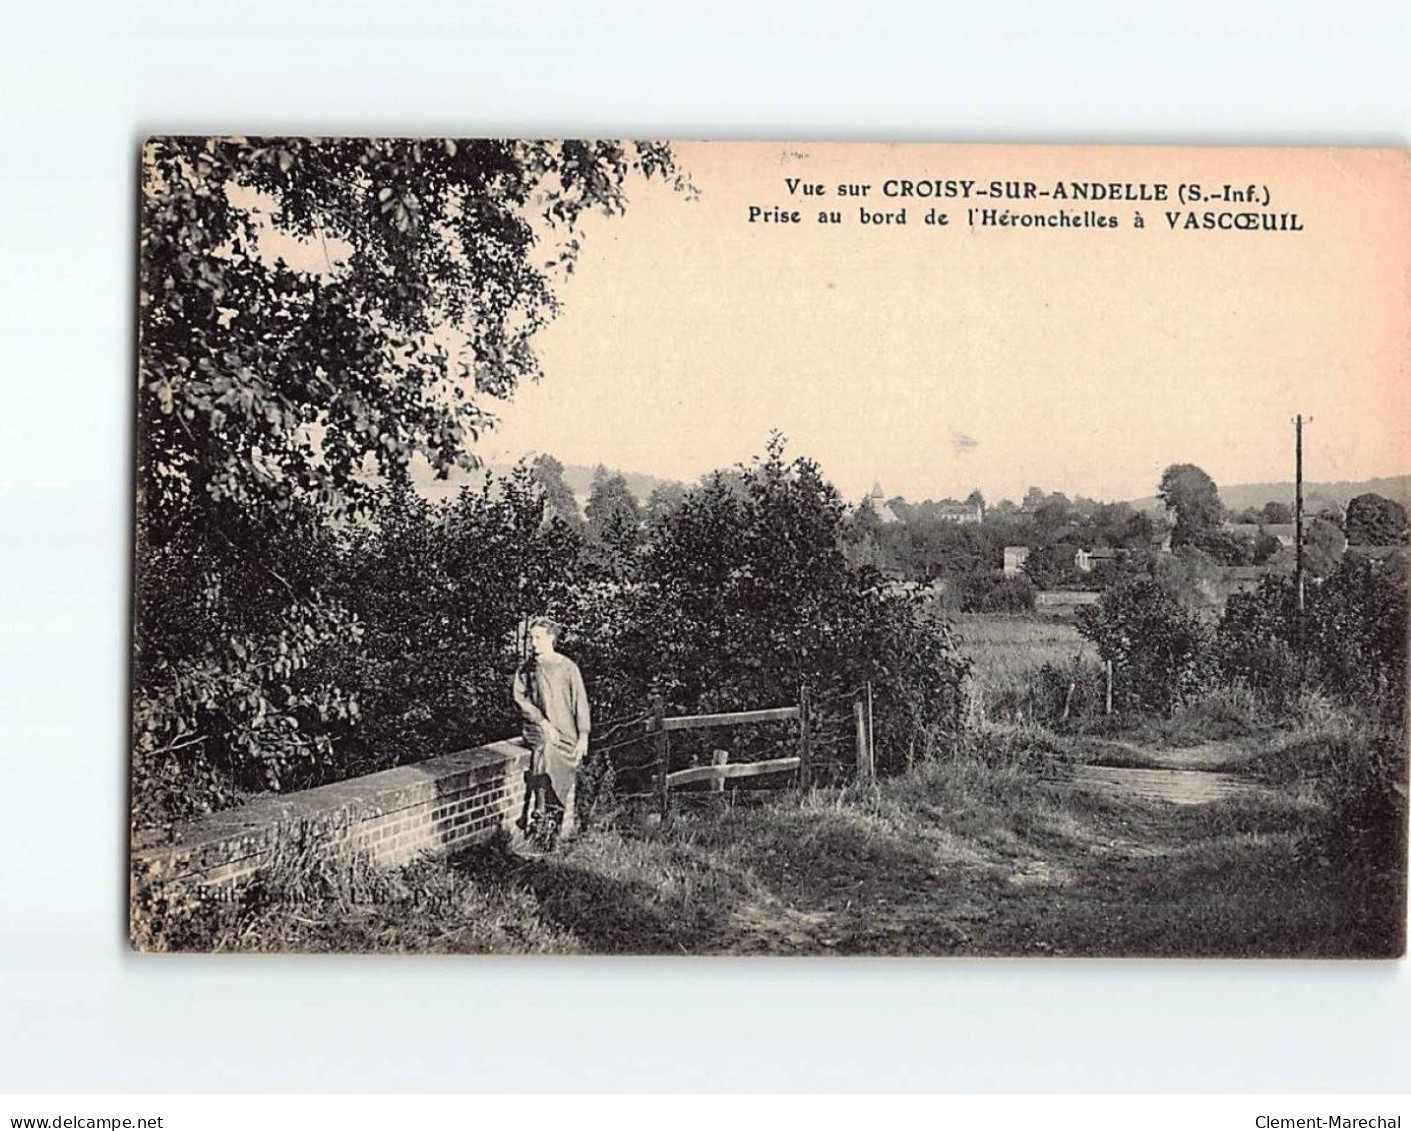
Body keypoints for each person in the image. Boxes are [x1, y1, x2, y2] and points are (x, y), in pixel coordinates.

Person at [511, 616, 591, 844]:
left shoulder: (567, 667)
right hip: (538, 729)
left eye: (538, 638)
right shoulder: (527, 669)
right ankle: (539, 813)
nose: (533, 643)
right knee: (545, 751)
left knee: (563, 768)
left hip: (566, 731)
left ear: (551, 639)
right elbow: (520, 698)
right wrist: (542, 721)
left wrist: (583, 735)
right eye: (531, 638)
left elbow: (580, 702)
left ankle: (553, 823)